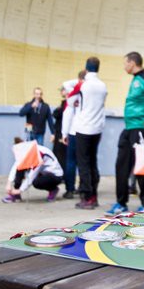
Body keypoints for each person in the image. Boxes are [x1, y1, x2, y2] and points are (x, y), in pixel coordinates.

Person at [108, 52, 144, 215]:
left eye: (126, 63)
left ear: (132, 63)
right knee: (121, 165)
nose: (124, 66)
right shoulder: (135, 80)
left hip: (142, 128)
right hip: (129, 127)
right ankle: (121, 203)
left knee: (142, 166)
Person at [70, 57, 107, 209]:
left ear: (86, 68)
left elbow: (70, 98)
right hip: (97, 128)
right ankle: (94, 195)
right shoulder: (103, 85)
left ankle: (87, 196)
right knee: (93, 162)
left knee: (83, 164)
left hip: (84, 128)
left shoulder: (83, 85)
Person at [3, 137, 63, 203]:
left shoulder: (39, 153)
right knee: (20, 167)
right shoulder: (25, 151)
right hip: (42, 172)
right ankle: (16, 195)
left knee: (36, 182)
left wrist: (20, 190)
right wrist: (9, 184)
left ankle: (53, 189)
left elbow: (32, 174)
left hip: (55, 175)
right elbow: (16, 166)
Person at [60, 71, 85, 199]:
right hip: (86, 132)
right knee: (84, 162)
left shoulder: (73, 94)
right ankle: (83, 188)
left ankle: (70, 189)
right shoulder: (92, 93)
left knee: (71, 162)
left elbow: (67, 115)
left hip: (73, 132)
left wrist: (64, 133)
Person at [51, 86, 67, 179]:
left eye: (62, 90)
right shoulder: (64, 103)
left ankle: (62, 176)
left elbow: (57, 113)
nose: (61, 92)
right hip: (59, 132)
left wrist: (56, 111)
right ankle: (60, 175)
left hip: (62, 132)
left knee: (61, 155)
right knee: (58, 154)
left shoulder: (67, 103)